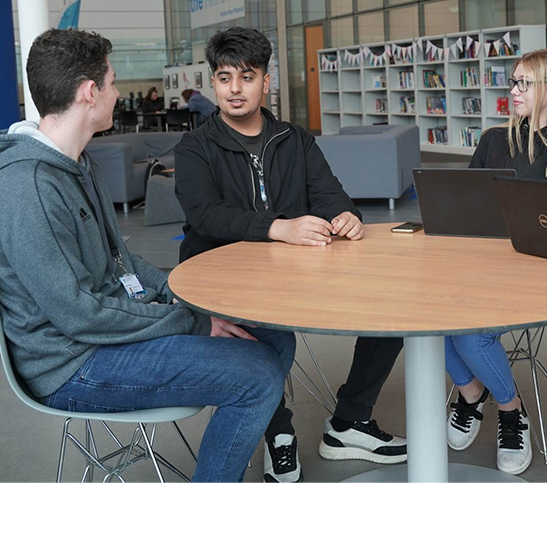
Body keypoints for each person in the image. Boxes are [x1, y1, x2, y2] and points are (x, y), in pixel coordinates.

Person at [0, 28, 295, 482]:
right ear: (89, 93)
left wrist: (179, 297)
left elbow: (119, 261)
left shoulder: (75, 163)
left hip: (105, 332)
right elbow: (80, 315)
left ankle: (241, 439)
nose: (116, 92)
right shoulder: (29, 188)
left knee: (273, 339)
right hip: (72, 363)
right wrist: (192, 321)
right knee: (258, 376)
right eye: (111, 82)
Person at [173, 27, 406, 483]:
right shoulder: (194, 147)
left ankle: (350, 421)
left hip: (298, 270)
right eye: (224, 78)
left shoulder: (294, 139)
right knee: (258, 337)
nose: (235, 89)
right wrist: (278, 227)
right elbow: (205, 215)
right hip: (227, 277)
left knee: (392, 308)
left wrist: (345, 215)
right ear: (213, 82)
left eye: (246, 77)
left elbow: (328, 192)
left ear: (266, 81)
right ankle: (278, 432)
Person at [444, 48, 547, 476]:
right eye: (513, 82)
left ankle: (510, 409)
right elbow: (465, 206)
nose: (513, 91)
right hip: (486, 267)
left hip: (546, 276)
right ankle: (471, 392)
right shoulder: (494, 140)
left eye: (523, 83)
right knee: (423, 316)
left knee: (472, 335)